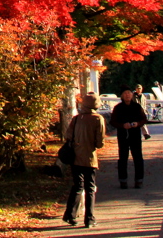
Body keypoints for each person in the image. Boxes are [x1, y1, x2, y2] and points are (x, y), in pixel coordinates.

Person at [62, 92, 106, 228]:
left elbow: (68, 136)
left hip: (75, 157)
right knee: (90, 188)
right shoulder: (98, 119)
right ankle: (89, 218)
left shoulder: (76, 119)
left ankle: (70, 214)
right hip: (90, 158)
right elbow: (99, 143)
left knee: (77, 186)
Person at [110, 86, 148, 189]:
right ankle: (123, 180)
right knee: (123, 158)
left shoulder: (136, 107)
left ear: (132, 95)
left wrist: (138, 123)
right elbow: (113, 121)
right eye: (125, 93)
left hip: (135, 134)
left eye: (129, 93)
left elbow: (144, 119)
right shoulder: (118, 108)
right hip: (123, 135)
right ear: (122, 95)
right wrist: (122, 125)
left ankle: (139, 180)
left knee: (138, 157)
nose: (128, 95)